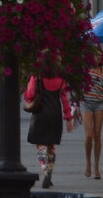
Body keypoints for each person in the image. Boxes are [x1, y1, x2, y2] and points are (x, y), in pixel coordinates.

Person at [24, 59, 75, 189]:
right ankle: (50, 172)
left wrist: (27, 96)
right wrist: (68, 118)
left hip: (40, 114)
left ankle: (44, 169)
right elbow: (64, 99)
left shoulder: (37, 77)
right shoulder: (60, 79)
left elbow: (29, 95)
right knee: (51, 146)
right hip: (55, 114)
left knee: (41, 146)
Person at [80, 48, 103, 180]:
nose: (97, 58)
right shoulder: (84, 70)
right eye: (95, 55)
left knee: (97, 134)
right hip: (86, 102)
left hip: (100, 103)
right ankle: (88, 162)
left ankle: (96, 166)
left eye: (100, 56)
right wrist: (76, 107)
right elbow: (78, 88)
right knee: (89, 135)